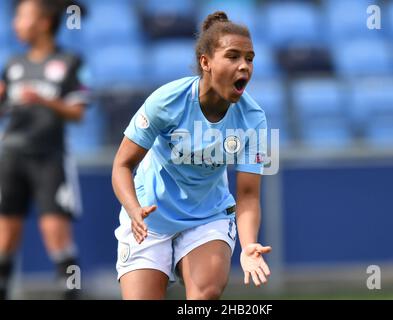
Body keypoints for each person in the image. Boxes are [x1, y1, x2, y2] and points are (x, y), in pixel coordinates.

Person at [112, 11, 272, 300]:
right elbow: (122, 165)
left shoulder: (255, 119)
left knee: (205, 294)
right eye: (233, 56)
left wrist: (249, 244)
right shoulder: (166, 101)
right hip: (150, 217)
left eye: (249, 59)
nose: (244, 66)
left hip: (207, 217)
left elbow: (248, 195)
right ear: (206, 62)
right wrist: (134, 209)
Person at [0, 0, 88, 299]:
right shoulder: (12, 65)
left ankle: (71, 292)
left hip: (49, 158)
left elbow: (78, 113)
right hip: (11, 157)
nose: (16, 24)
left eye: (22, 17)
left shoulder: (71, 61)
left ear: (44, 22)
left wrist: (43, 100)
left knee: (56, 234)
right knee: (5, 237)